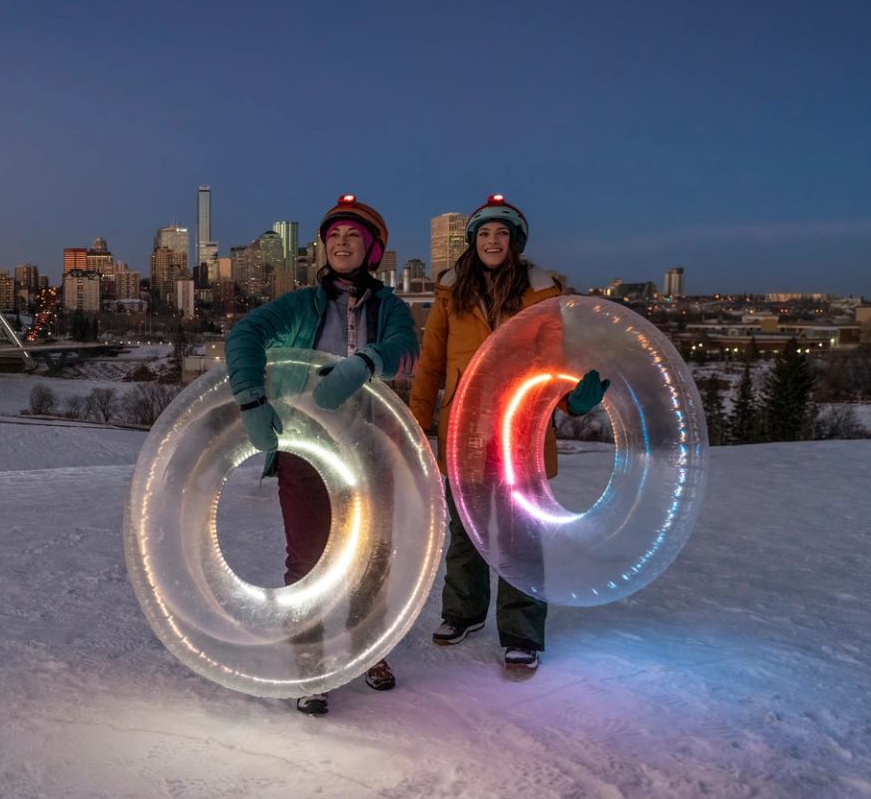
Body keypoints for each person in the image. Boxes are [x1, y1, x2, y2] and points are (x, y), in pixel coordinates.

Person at [225, 194, 420, 715]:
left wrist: (368, 363)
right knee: (306, 558)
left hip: (372, 445)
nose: (341, 242)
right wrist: (251, 398)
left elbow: (407, 350)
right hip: (306, 447)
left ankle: (367, 650)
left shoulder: (390, 308)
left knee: (372, 556)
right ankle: (311, 665)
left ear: (373, 249)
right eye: (333, 235)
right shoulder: (299, 306)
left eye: (353, 235)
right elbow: (245, 334)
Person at [409, 194, 607, 674]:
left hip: (519, 432)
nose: (492, 241)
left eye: (501, 233)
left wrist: (569, 401)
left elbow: (552, 365)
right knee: (465, 531)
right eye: (483, 233)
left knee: (520, 536)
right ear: (472, 242)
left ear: (515, 242)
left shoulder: (541, 298)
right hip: (464, 431)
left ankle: (521, 634)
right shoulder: (450, 294)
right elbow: (432, 362)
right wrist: (419, 422)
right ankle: (463, 612)